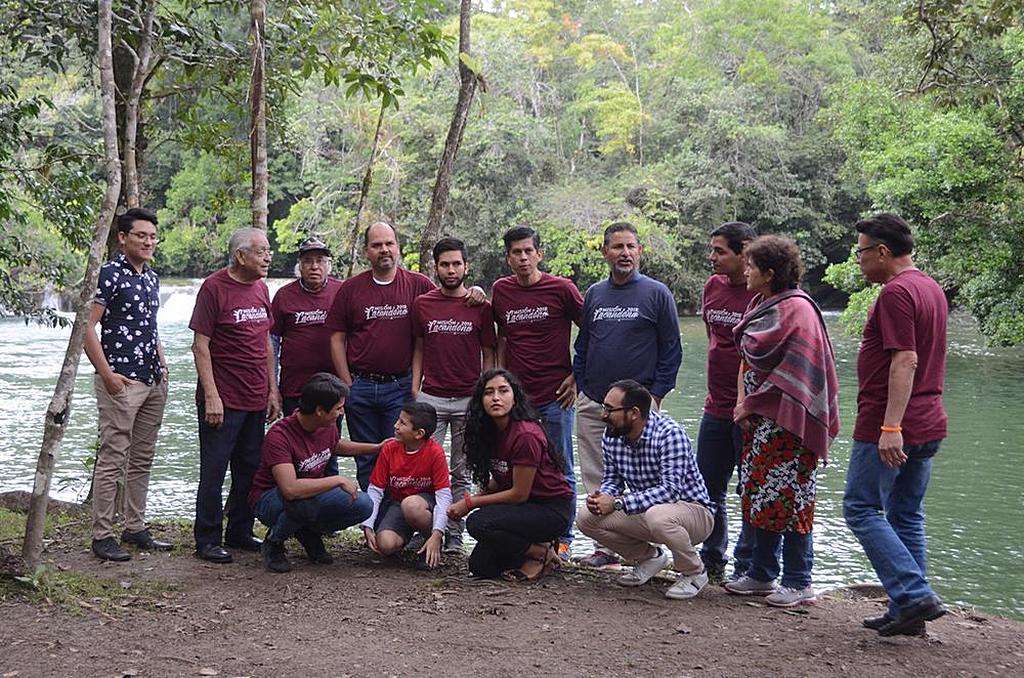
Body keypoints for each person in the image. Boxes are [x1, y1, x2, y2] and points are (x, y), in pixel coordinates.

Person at [843, 213, 949, 636]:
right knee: (905, 515)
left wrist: (890, 427)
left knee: (861, 507)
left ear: (883, 252)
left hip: (890, 424)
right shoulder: (930, 288)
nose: (859, 261)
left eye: (862, 252)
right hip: (929, 420)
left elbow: (905, 358)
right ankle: (909, 613)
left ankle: (912, 592)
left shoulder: (897, 293)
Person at [724, 235, 840, 608]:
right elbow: (749, 362)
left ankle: (798, 579)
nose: (745, 271)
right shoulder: (763, 304)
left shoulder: (798, 310)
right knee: (759, 496)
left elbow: (799, 376)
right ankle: (761, 574)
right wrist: (746, 403)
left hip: (790, 424)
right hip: (760, 424)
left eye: (751, 266)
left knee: (792, 500)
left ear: (770, 273)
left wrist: (752, 403)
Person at [573, 221, 682, 568]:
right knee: (596, 475)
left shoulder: (656, 293)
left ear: (639, 251)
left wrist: (657, 395)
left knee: (646, 477)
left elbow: (671, 349)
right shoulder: (594, 294)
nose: (624, 253)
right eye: (617, 247)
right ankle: (607, 548)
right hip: (594, 402)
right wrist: (582, 385)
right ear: (605, 252)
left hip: (639, 409)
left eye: (630, 247)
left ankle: (649, 547)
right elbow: (584, 344)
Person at [83, 207, 172, 561]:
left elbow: (149, 327)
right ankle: (102, 535)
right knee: (112, 457)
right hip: (121, 378)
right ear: (123, 238)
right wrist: (107, 376)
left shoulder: (151, 278)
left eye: (152, 236)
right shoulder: (108, 274)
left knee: (143, 458)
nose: (149, 242)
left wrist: (163, 365)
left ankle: (135, 527)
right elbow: (87, 327)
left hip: (152, 378)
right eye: (141, 235)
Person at [190, 228, 282, 563]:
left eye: (268, 251)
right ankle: (207, 538)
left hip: (256, 396)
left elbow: (265, 344)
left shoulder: (261, 288)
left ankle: (240, 530)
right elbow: (200, 346)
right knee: (214, 471)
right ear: (240, 256)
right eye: (261, 252)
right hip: (223, 399)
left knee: (250, 469)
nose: (268, 258)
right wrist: (212, 396)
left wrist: (273, 390)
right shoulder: (214, 288)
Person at [490, 226, 583, 559]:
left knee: (561, 468)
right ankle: (533, 535)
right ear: (509, 258)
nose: (523, 257)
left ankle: (564, 540)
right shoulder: (501, 290)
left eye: (529, 251)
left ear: (539, 254)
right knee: (520, 466)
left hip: (556, 395)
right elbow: (501, 337)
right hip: (518, 400)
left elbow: (590, 332)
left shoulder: (562, 289)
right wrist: (500, 382)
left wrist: (577, 377)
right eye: (516, 252)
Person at [577, 380, 714, 600]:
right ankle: (650, 558)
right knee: (586, 517)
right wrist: (604, 496)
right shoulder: (612, 434)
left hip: (694, 513)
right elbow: (613, 479)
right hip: (649, 512)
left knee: (658, 516)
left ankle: (694, 572)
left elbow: (670, 491)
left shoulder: (670, 434)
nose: (603, 415)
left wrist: (618, 503)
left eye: (610, 409)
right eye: (604, 407)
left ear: (634, 413)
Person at [328, 222, 434, 490]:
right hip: (360, 387)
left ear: (398, 247)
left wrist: (475, 293)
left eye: (389, 244)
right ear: (366, 251)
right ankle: (372, 521)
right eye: (376, 245)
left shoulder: (418, 285)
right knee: (366, 459)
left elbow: (448, 303)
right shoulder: (351, 289)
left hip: (399, 386)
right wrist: (346, 382)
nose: (384, 250)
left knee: (399, 455)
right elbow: (336, 338)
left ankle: (395, 525)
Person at [411, 237, 495, 554]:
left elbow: (489, 351)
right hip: (430, 397)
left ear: (466, 266)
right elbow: (418, 347)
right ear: (436, 267)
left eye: (456, 264)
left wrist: (484, 391)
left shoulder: (479, 306)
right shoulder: (423, 304)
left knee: (461, 471)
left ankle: (455, 535)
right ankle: (424, 529)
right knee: (422, 468)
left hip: (467, 400)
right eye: (445, 264)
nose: (451, 269)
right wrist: (415, 388)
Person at [447, 369, 573, 580]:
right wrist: (483, 493)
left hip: (550, 509)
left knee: (478, 522)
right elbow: (503, 474)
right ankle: (534, 548)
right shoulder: (490, 431)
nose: (496, 398)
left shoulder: (525, 435)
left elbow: (519, 494)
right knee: (481, 566)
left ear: (515, 398)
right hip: (521, 510)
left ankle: (540, 553)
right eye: (488, 393)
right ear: (481, 400)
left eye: (503, 391)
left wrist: (470, 503)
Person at [249, 373, 378, 574]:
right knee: (303, 504)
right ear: (319, 410)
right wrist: (337, 480)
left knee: (363, 504)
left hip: (308, 494)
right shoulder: (280, 436)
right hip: (270, 499)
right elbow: (290, 489)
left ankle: (308, 532)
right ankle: (274, 542)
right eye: (337, 408)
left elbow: (335, 445)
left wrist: (376, 448)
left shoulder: (327, 426)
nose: (341, 412)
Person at [697, 222, 758, 583]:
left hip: (750, 412)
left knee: (751, 488)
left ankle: (748, 564)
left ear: (744, 250)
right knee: (708, 488)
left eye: (720, 250)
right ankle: (712, 558)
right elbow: (714, 340)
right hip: (714, 407)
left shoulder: (762, 294)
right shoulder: (712, 287)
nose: (713, 257)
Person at [271, 237, 344, 475]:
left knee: (329, 451)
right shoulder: (284, 296)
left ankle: (331, 502)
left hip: (334, 391)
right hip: (296, 389)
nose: (315, 267)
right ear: (299, 266)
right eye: (308, 261)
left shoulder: (341, 291)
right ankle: (294, 503)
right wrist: (272, 387)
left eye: (320, 261)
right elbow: (271, 342)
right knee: (296, 452)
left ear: (328, 264)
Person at [361, 401, 453, 568]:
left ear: (419, 433)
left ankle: (431, 541)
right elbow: (376, 489)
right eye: (398, 420)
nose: (395, 426)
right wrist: (367, 524)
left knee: (411, 505)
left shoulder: (435, 452)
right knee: (385, 544)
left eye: (402, 423)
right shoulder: (389, 448)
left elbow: (443, 495)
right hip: (398, 504)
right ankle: (410, 543)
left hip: (424, 504)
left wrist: (437, 532)